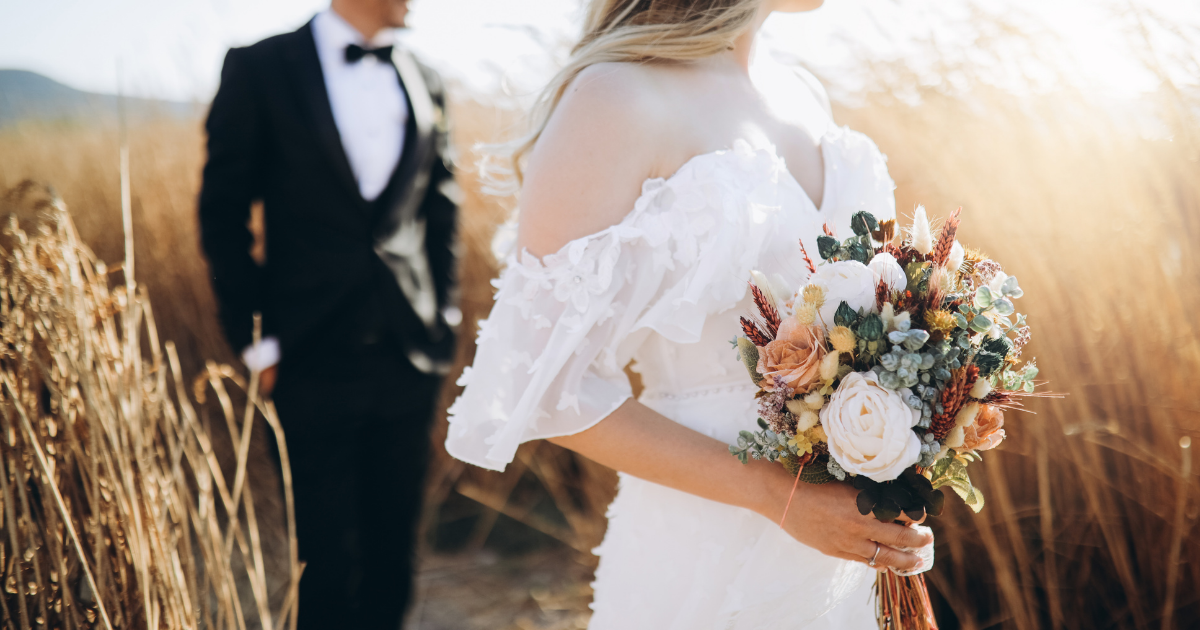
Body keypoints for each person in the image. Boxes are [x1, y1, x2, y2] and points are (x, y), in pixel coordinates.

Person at [445, 0, 935, 627]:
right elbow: (543, 385)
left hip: (839, 548)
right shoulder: (614, 95)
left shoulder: (803, 91)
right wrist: (776, 495)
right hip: (703, 542)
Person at [197, 0, 459, 626]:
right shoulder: (260, 68)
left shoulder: (426, 77)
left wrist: (444, 322)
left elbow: (442, 207)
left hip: (408, 350)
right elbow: (221, 213)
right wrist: (256, 342)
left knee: (394, 548)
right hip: (305, 354)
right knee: (323, 558)